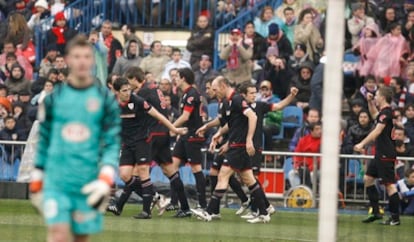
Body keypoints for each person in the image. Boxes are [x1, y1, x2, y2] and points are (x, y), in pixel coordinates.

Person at [29, 35, 122, 242]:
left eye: (86, 56)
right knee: (59, 235)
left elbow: (112, 141)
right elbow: (43, 139)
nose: (81, 61)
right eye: (77, 56)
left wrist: (106, 176)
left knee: (81, 237)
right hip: (57, 180)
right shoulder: (53, 99)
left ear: (92, 60)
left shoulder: (105, 100)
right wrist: (37, 176)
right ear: (68, 60)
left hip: (88, 180)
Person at [191, 76, 270, 223]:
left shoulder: (238, 99)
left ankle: (210, 212)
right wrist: (207, 127)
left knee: (223, 176)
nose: (214, 93)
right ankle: (264, 212)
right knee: (249, 180)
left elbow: (253, 116)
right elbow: (223, 122)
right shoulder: (227, 103)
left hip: (239, 146)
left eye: (215, 89)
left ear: (222, 86)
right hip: (236, 145)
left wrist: (248, 140)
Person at [109, 77, 188, 219]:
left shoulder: (138, 100)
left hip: (142, 140)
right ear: (116, 91)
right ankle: (156, 197)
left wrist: (174, 129)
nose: (128, 93)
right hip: (127, 144)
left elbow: (158, 115)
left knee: (143, 171)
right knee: (125, 175)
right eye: (124, 91)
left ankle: (146, 211)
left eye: (129, 90)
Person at [354, 86, 401, 225]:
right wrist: (369, 102)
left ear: (383, 97)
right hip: (380, 153)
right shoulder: (383, 113)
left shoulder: (386, 113)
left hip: (386, 153)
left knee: (390, 186)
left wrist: (362, 144)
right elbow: (374, 115)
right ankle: (375, 212)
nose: (375, 96)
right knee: (368, 179)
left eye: (377, 95)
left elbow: (377, 131)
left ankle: (395, 218)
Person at [172, 68, 207, 210]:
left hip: (193, 135)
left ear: (183, 78)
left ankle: (203, 205)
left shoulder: (192, 94)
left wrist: (171, 127)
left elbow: (186, 116)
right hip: (185, 134)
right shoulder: (186, 94)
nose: (175, 79)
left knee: (196, 169)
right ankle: (176, 203)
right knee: (172, 167)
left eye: (177, 76)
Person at [289, 121, 322, 188]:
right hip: (303, 167)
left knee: (312, 174)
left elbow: (320, 158)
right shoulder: (303, 140)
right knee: (291, 174)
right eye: (317, 129)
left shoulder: (324, 141)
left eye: (320, 129)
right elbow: (297, 154)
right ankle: (298, 192)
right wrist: (297, 165)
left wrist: (310, 168)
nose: (320, 131)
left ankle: (310, 195)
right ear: (311, 131)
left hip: (317, 169)